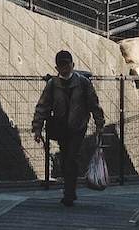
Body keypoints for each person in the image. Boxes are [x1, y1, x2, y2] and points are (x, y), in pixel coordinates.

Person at [32, 50, 105, 206]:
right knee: (66, 158)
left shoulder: (83, 83)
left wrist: (99, 123)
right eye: (61, 65)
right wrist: (37, 127)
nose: (64, 68)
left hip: (78, 127)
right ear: (57, 68)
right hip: (61, 127)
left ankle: (69, 193)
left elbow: (94, 104)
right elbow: (43, 106)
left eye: (67, 64)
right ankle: (69, 189)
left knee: (72, 157)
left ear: (73, 65)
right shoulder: (53, 85)